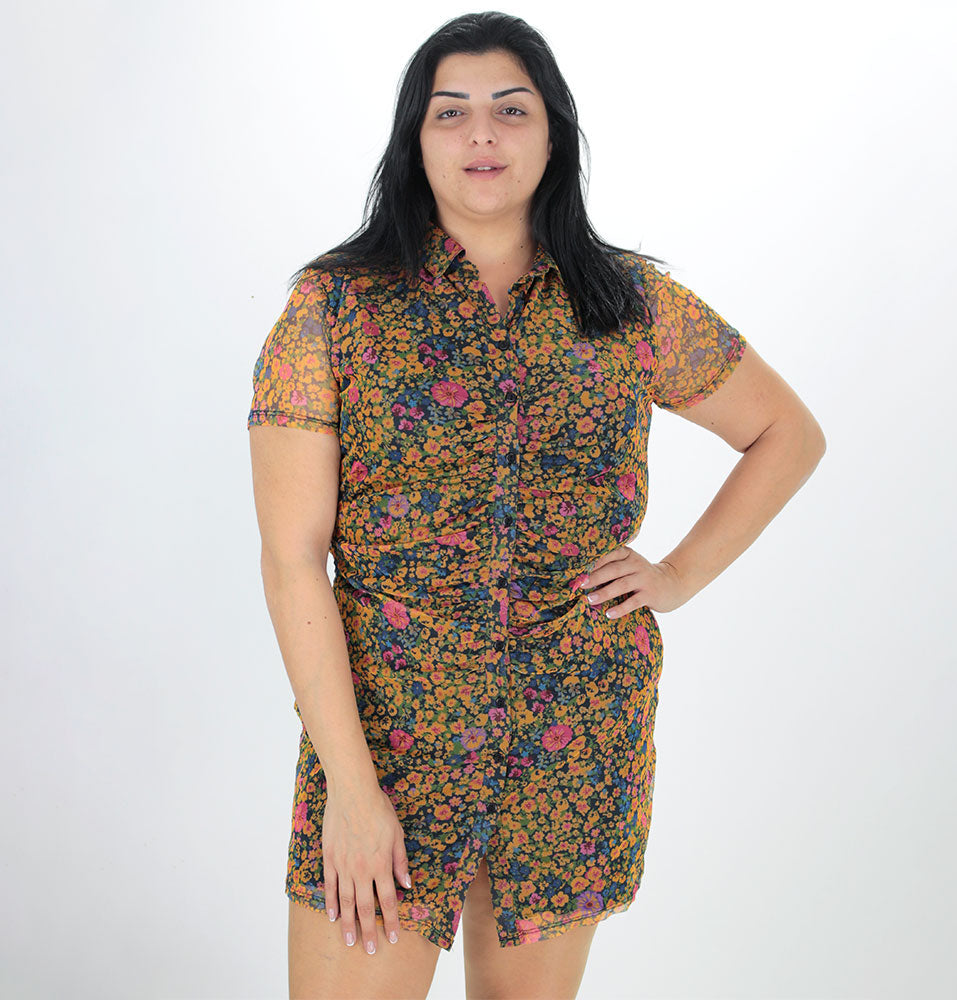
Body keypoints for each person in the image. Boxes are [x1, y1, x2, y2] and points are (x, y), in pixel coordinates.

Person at [247, 11, 825, 1000]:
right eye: (451, 112)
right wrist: (349, 787)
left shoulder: (628, 303)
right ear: (415, 139)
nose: (482, 134)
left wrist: (677, 573)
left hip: (575, 726)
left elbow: (786, 433)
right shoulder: (334, 308)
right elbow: (294, 557)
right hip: (390, 734)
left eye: (511, 110)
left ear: (553, 133)